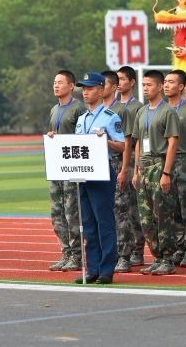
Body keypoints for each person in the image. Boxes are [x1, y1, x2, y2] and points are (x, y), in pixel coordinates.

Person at [73, 72, 125, 284]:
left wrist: (105, 140)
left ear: (102, 89)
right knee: (88, 223)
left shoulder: (111, 116)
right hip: (83, 174)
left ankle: (106, 269)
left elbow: (121, 145)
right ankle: (92, 267)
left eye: (91, 88)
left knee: (104, 222)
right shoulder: (81, 119)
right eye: (84, 88)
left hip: (103, 172)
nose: (86, 92)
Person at [132, 70, 180, 275]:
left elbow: (172, 143)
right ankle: (157, 256)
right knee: (146, 218)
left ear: (159, 86)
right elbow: (136, 143)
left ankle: (167, 258)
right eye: (143, 85)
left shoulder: (167, 111)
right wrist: (135, 170)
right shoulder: (142, 112)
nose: (145, 88)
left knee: (163, 215)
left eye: (149, 85)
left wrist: (166, 172)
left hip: (159, 165)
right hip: (143, 166)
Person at [47, 70, 87, 272]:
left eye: (60, 82)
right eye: (54, 82)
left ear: (71, 86)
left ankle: (77, 255)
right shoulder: (54, 109)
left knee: (73, 213)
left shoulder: (78, 108)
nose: (56, 86)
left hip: (72, 168)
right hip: (57, 168)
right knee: (57, 213)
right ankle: (66, 253)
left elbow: (82, 137)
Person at [163, 69, 186, 267]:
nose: (166, 85)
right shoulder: (162, 108)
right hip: (167, 162)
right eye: (165, 81)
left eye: (171, 82)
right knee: (172, 208)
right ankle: (178, 246)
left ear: (181, 86)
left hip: (185, 160)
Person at [101, 71, 134, 273]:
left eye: (101, 85)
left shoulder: (120, 111)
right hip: (99, 168)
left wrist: (124, 170)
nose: (96, 89)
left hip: (117, 164)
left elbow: (127, 142)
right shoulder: (94, 112)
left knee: (122, 212)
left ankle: (125, 254)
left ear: (112, 87)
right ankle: (108, 254)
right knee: (105, 213)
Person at [117, 66, 146, 266]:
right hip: (115, 160)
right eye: (116, 79)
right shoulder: (111, 106)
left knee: (134, 208)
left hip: (132, 159)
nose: (119, 83)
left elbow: (138, 140)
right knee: (119, 209)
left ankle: (137, 248)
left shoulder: (138, 108)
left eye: (122, 79)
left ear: (132, 82)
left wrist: (135, 168)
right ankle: (123, 248)